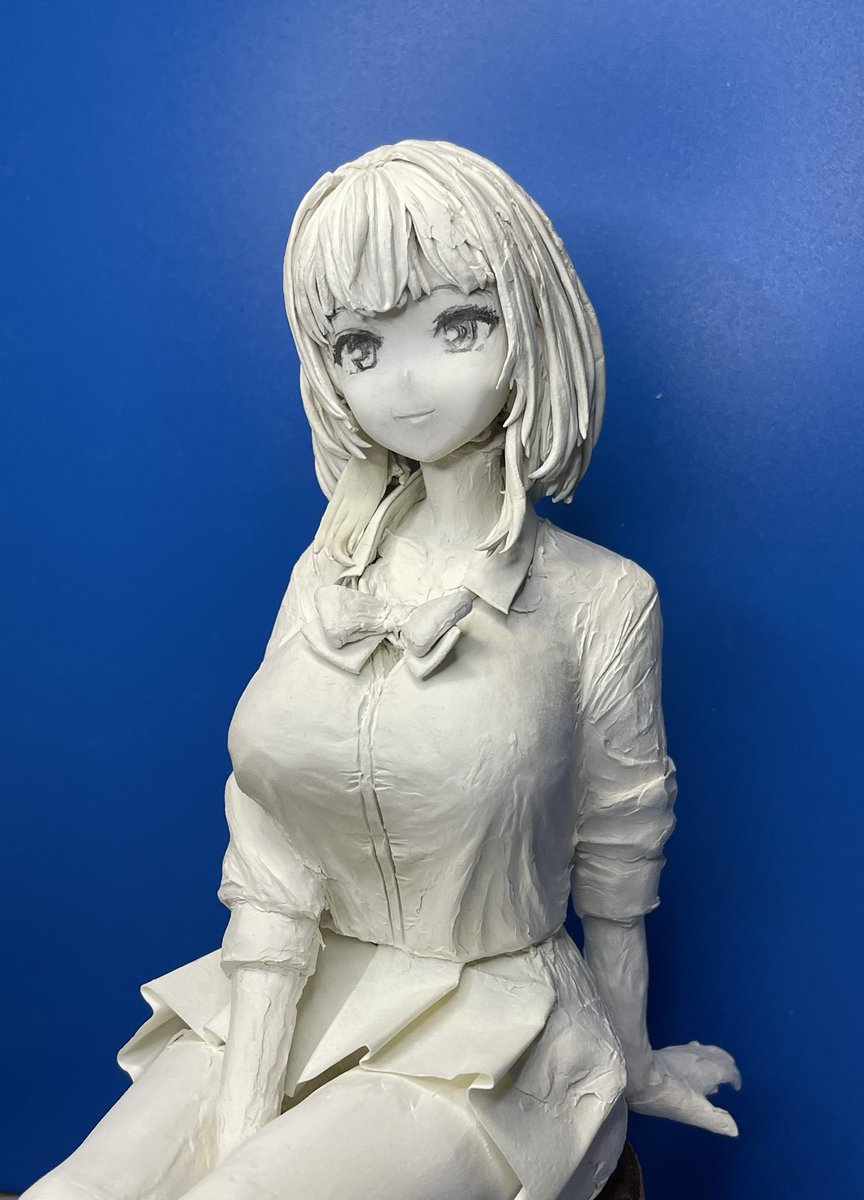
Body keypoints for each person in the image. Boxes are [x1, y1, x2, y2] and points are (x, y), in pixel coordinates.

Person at [24, 140, 738, 1200]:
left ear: (531, 323)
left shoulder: (603, 600)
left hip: (502, 1038)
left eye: (460, 326)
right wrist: (244, 1114)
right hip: (299, 994)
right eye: (360, 345)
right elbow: (269, 852)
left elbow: (619, 856)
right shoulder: (324, 577)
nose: (405, 383)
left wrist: (631, 1063)